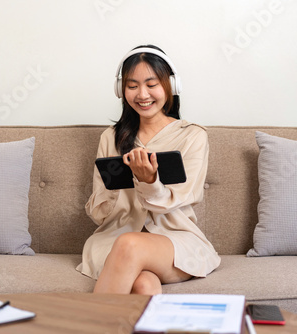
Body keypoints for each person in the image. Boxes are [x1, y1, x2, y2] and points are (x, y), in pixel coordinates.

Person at [76, 45, 220, 295]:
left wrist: (149, 181)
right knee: (143, 284)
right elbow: (99, 214)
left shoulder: (192, 136)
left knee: (130, 244)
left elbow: (186, 197)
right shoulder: (110, 138)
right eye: (132, 86)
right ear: (121, 90)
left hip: (174, 239)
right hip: (113, 238)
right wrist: (115, 184)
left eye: (151, 84)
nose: (142, 94)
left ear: (170, 86)